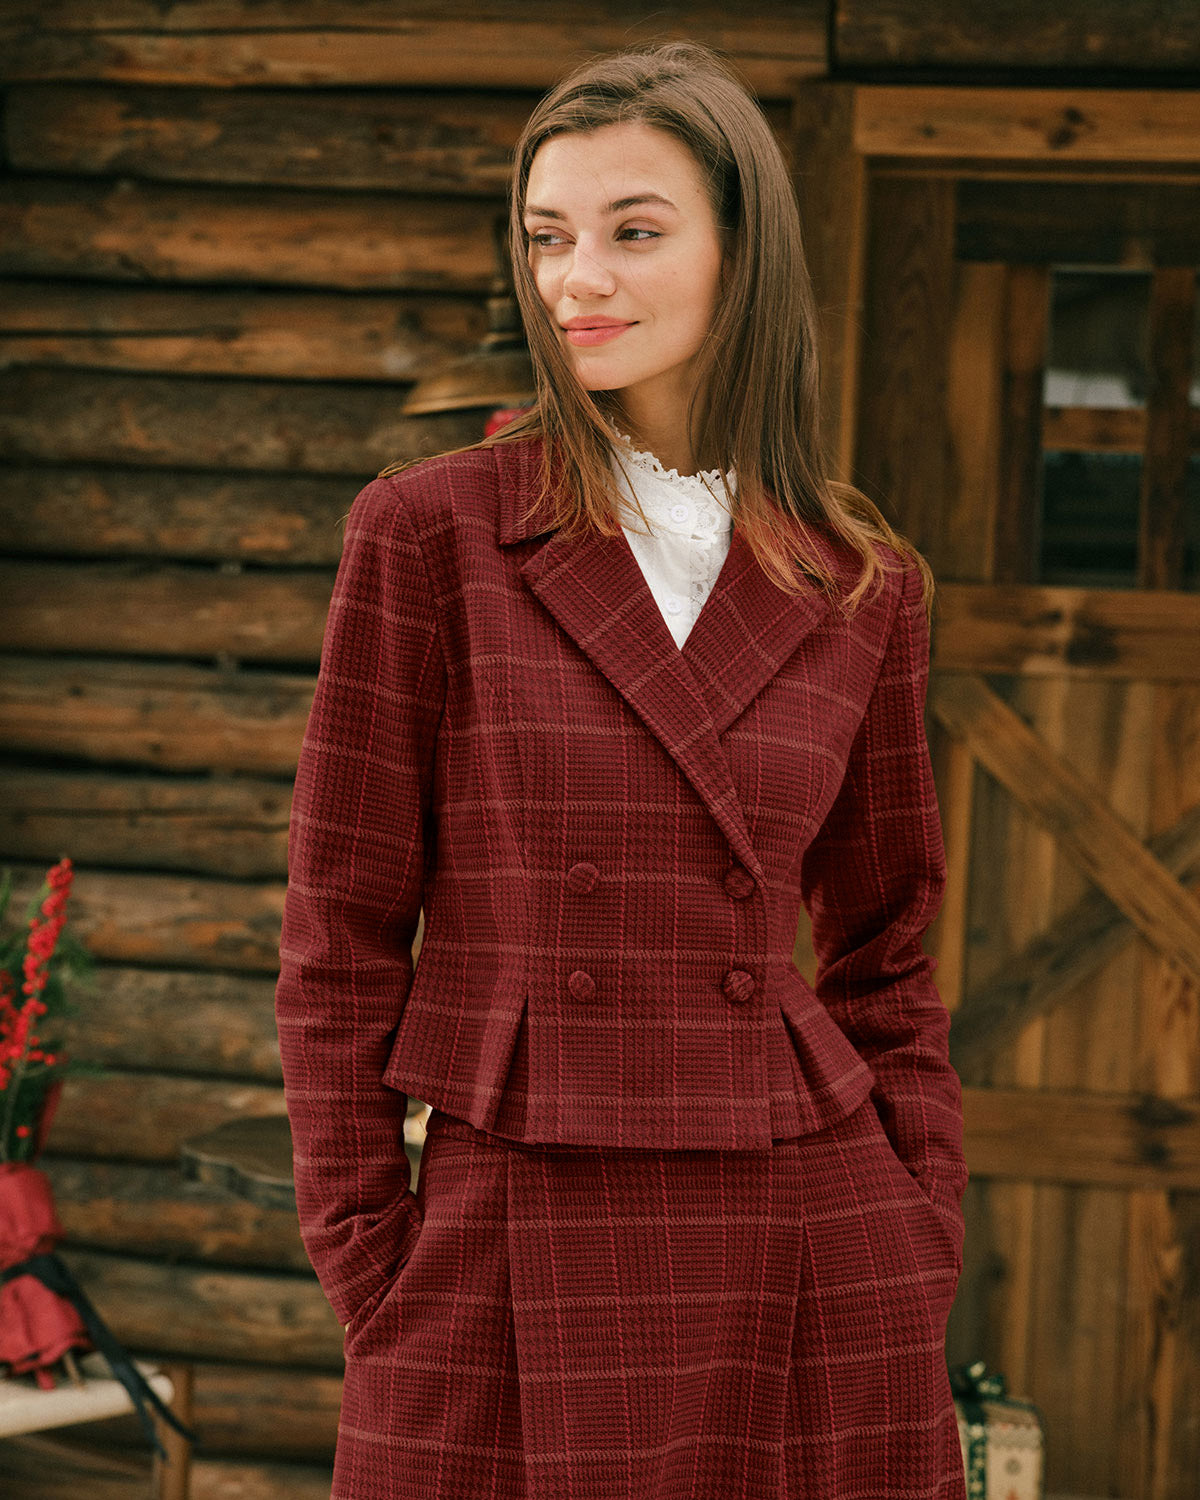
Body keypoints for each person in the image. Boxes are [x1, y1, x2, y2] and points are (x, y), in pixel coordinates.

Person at [276, 40, 968, 1500]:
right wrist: (368, 1253)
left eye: (633, 232)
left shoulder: (859, 582)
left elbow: (887, 950)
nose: (575, 278)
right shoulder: (433, 533)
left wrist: (920, 1230)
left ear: (744, 255)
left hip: (802, 1228)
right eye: (547, 237)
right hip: (499, 1229)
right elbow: (338, 932)